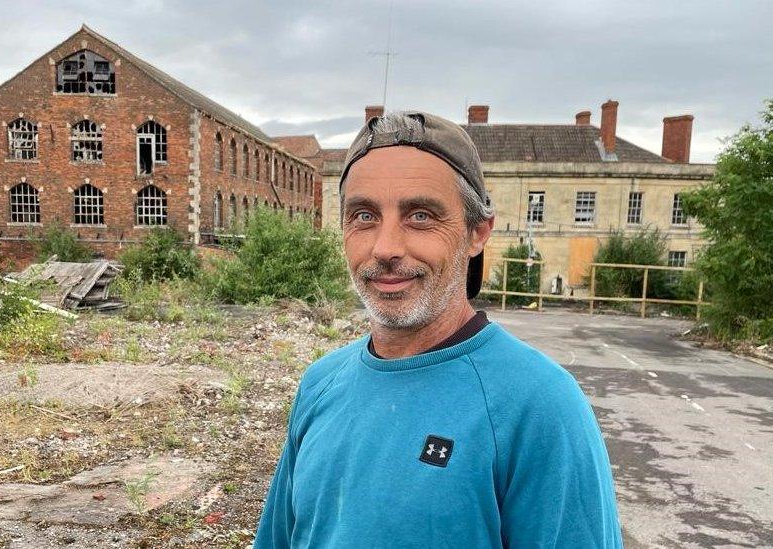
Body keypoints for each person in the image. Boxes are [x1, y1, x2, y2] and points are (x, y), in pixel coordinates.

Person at [253, 111, 622, 548]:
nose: (386, 247)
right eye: (364, 216)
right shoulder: (320, 384)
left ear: (477, 232)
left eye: (421, 216)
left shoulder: (538, 404)